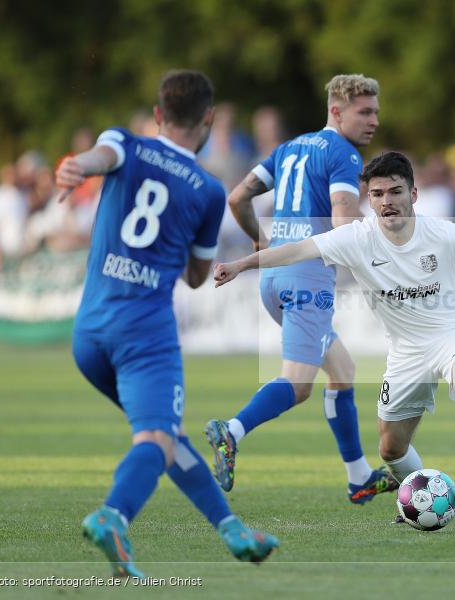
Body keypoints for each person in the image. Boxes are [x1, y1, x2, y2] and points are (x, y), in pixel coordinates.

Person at [213, 151, 455, 510]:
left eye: (395, 192)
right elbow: (296, 250)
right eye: (377, 194)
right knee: (391, 448)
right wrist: (241, 264)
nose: (387, 202)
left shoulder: (441, 233)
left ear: (414, 194)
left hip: (454, 329)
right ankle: (418, 498)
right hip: (405, 350)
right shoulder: (355, 238)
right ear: (369, 200)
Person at [54, 70, 278, 578]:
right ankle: (114, 515)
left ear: (157, 115)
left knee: (167, 434)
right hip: (144, 336)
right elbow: (198, 277)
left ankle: (232, 529)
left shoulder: (124, 142)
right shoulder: (206, 189)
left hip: (89, 331)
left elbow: (99, 158)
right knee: (155, 438)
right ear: (209, 119)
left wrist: (75, 168)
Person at [203, 74, 395, 504]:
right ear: (336, 111)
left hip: (274, 276)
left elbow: (237, 198)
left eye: (376, 112)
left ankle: (359, 476)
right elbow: (345, 224)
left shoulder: (288, 148)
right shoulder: (343, 154)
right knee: (299, 384)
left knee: (342, 371)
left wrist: (261, 243)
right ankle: (230, 431)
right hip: (307, 279)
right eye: (364, 112)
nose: (373, 121)